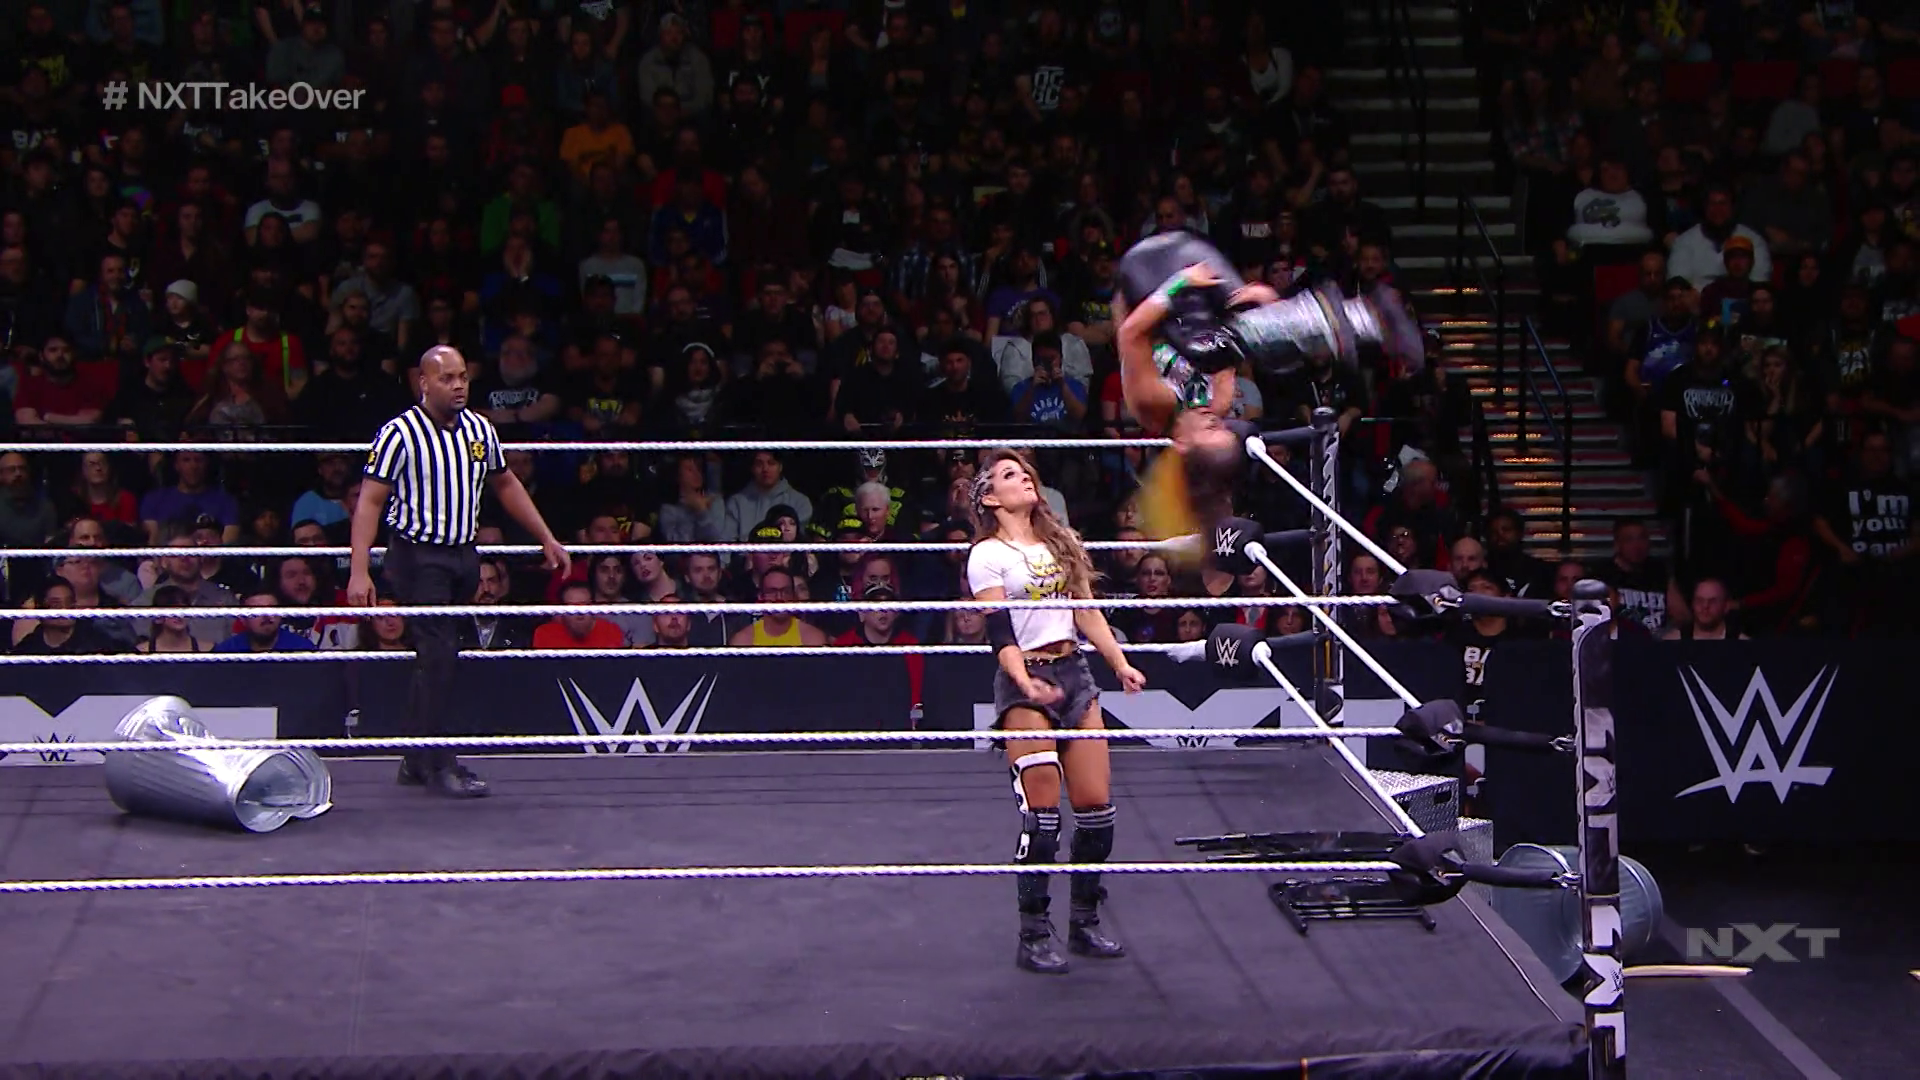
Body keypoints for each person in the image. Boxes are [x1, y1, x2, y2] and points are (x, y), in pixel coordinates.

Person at [350, 345, 571, 799]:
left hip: (463, 554)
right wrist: (359, 570)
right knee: (439, 653)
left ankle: (414, 759)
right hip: (417, 556)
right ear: (424, 383)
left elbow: (505, 483)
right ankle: (439, 762)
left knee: (439, 657)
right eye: (447, 378)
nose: (458, 386)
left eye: (463, 377)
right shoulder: (399, 434)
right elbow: (370, 501)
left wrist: (546, 536)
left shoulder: (479, 430)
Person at [965, 448, 1145, 975]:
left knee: (1097, 811)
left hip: (1074, 673)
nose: (1023, 478)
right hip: (1026, 679)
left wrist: (1120, 663)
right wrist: (1023, 681)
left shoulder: (1060, 541)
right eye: (1009, 475)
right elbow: (999, 629)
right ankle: (1033, 934)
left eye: (1025, 472)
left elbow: (1086, 611)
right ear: (990, 498)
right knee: (1043, 818)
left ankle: (1084, 922)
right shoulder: (986, 555)